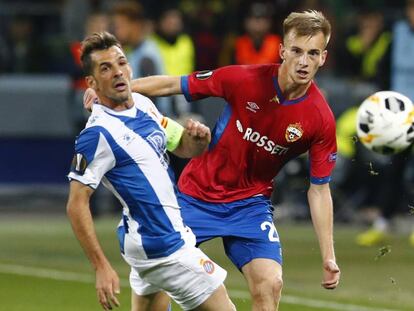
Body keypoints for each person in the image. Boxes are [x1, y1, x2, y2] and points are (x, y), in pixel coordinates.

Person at [84, 10, 341, 310]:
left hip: (250, 206)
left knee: (270, 283)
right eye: (296, 51)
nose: (303, 61)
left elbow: (319, 189)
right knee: (158, 288)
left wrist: (328, 256)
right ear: (282, 50)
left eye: (312, 53)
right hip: (196, 196)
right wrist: (109, 93)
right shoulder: (243, 79)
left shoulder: (320, 119)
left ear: (323, 58)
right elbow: (173, 84)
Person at [67, 31, 235, 311]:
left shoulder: (144, 105)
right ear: (92, 83)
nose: (118, 72)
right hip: (164, 247)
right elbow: (76, 203)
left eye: (121, 63)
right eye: (106, 68)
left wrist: (198, 140)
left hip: (144, 240)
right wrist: (101, 266)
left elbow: (181, 145)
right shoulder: (97, 134)